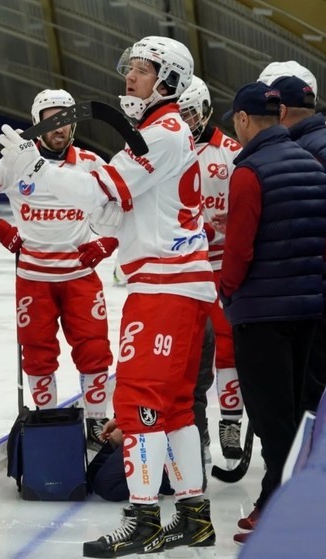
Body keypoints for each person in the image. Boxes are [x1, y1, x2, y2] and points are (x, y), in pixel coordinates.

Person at [0, 36, 217, 557]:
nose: (130, 77)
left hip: (165, 287)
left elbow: (101, 194)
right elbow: (114, 207)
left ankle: (142, 520)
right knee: (178, 409)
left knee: (140, 402)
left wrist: (33, 168)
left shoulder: (161, 132)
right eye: (130, 68)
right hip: (178, 284)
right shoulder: (157, 132)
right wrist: (73, 185)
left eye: (141, 69)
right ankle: (194, 516)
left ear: (168, 80)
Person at [0, 88, 114, 451]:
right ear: (37, 123)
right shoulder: (15, 162)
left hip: (80, 277)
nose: (59, 127)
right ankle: (47, 420)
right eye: (51, 119)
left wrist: (105, 244)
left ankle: (97, 422)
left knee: (94, 351)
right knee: (37, 352)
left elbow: (126, 209)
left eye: (65, 119)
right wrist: (3, 232)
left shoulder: (91, 163)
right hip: (34, 280)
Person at [219, 81, 326, 545]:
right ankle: (281, 500)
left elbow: (238, 252)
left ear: (243, 120)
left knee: (271, 416)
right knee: (300, 410)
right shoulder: (312, 164)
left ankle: (280, 509)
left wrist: (227, 292)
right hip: (310, 308)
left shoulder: (249, 172)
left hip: (262, 314)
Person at [178, 76, 245, 462]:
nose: (186, 121)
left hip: (220, 265)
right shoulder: (169, 148)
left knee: (228, 347)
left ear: (204, 110)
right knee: (188, 352)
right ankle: (193, 425)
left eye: (191, 113)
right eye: (181, 113)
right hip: (183, 267)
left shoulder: (232, 154)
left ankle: (231, 419)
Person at [268, 74, 326, 416]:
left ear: (283, 110)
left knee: (310, 385)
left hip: (312, 283)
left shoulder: (300, 152)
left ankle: (309, 466)